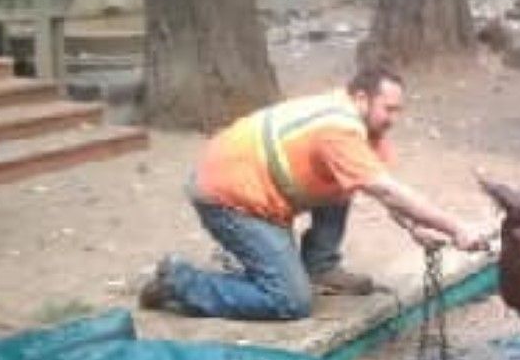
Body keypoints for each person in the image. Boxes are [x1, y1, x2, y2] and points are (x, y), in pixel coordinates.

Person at [139, 66, 489, 320]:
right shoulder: (338, 128)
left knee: (344, 184)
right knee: (290, 302)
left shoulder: (365, 129)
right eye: (389, 109)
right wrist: (455, 227)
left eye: (400, 110)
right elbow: (385, 189)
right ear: (362, 98)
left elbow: (383, 190)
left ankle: (320, 266)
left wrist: (416, 228)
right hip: (229, 198)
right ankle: (182, 283)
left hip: (262, 190)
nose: (394, 118)